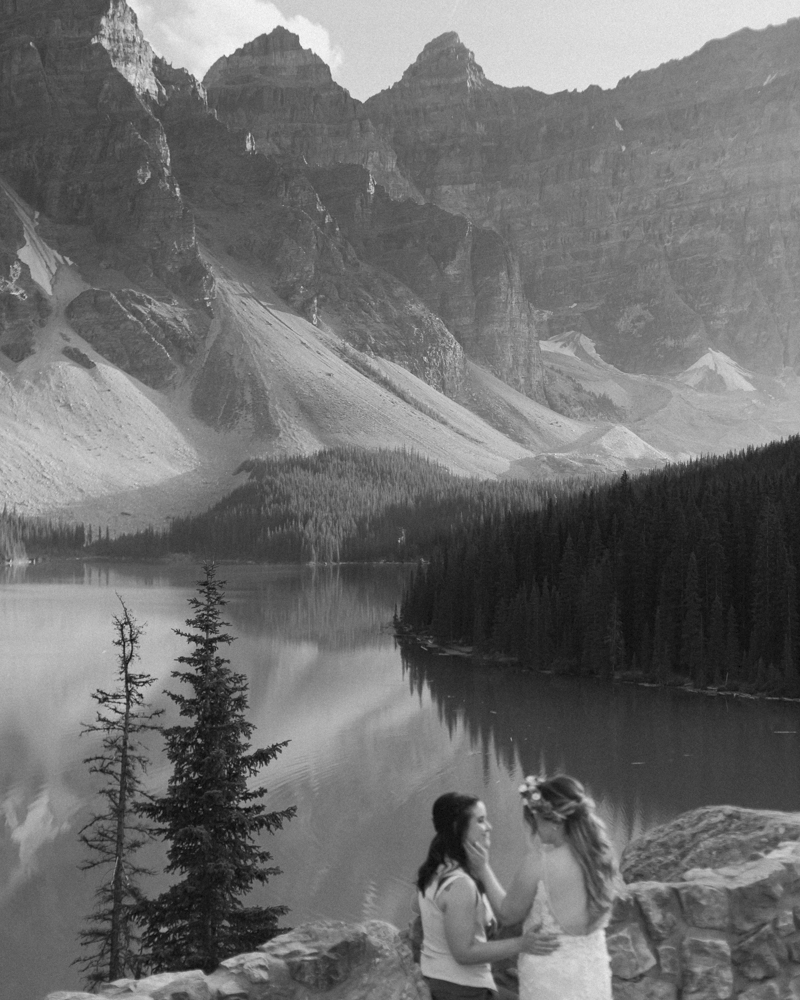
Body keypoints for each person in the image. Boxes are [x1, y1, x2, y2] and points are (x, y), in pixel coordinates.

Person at [467, 774, 619, 1000]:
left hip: (550, 976)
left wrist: (483, 869)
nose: (535, 827)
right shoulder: (601, 855)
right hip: (593, 971)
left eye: (537, 819)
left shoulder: (540, 863)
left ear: (555, 821)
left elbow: (508, 914)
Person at [414, 792, 560, 1000]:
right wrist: (523, 943)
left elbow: (417, 906)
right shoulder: (460, 884)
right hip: (463, 990)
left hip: (442, 980)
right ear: (459, 828)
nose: (489, 827)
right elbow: (464, 953)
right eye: (481, 821)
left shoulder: (436, 869)